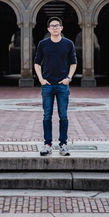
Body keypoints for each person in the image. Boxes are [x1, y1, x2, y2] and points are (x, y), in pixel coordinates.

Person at [34, 16, 77, 156]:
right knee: (47, 116)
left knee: (63, 116)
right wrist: (41, 79)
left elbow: (73, 63)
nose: (55, 27)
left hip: (62, 86)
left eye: (57, 25)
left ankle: (63, 144)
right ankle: (47, 144)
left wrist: (69, 78)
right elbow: (37, 63)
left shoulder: (68, 44)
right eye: (52, 26)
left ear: (61, 28)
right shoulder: (43, 44)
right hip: (47, 85)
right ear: (48, 29)